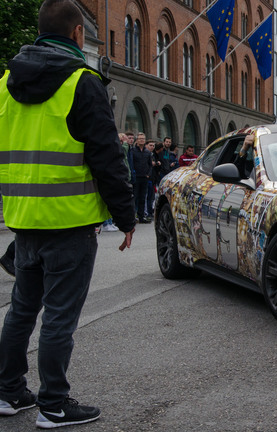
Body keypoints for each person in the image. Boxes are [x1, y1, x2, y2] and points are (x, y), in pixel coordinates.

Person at [0, 1, 135, 427]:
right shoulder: (82, 82)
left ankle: (8, 393)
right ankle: (54, 405)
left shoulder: (6, 82)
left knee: (22, 309)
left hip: (23, 219)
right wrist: (126, 216)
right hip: (70, 221)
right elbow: (107, 156)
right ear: (78, 34)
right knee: (60, 315)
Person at [131, 132, 152, 223]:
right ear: (137, 140)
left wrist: (148, 174)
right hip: (136, 177)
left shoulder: (147, 152)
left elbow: (150, 165)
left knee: (143, 198)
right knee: (134, 197)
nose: (141, 140)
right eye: (140, 138)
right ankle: (132, 216)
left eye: (143, 139)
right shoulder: (132, 150)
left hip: (144, 177)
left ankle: (141, 216)